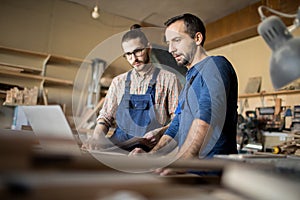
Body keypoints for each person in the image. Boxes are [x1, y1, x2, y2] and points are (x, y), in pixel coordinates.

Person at [131, 13, 238, 175]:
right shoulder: (189, 81)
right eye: (168, 43)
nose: (170, 49)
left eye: (177, 40)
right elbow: (177, 126)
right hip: (189, 171)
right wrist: (150, 156)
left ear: (197, 38)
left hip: (211, 174)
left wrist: (180, 163)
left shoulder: (215, 65)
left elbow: (205, 117)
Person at [83, 26, 181, 151]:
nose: (133, 58)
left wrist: (160, 132)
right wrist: (96, 137)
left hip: (149, 150)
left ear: (148, 48)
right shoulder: (118, 82)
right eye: (128, 54)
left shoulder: (169, 79)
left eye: (138, 51)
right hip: (117, 147)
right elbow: (106, 117)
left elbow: (178, 120)